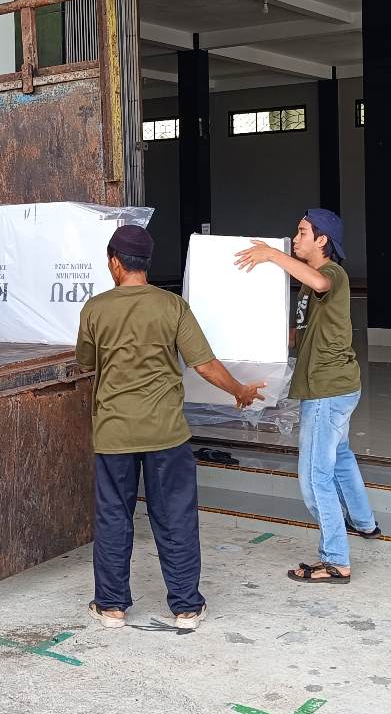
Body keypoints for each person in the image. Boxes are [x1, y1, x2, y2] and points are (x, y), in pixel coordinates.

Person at [77, 225, 263, 631]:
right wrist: (240, 391)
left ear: (114, 262)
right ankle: (186, 608)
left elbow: (86, 364)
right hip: (166, 434)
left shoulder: (95, 308)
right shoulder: (172, 306)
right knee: (174, 516)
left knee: (113, 517)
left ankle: (111, 606)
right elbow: (205, 365)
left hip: (114, 433)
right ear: (147, 263)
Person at [236, 209, 377, 584]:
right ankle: (364, 523)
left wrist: (271, 255)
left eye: (301, 233)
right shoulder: (308, 284)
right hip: (338, 386)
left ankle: (335, 559)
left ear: (322, 241)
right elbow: (302, 333)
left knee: (316, 478)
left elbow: (320, 282)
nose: (294, 239)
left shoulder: (332, 274)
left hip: (327, 390)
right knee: (341, 458)